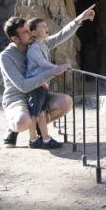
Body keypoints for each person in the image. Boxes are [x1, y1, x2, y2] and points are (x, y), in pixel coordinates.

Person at [0, 5, 96, 148]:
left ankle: (37, 126)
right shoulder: (5, 57)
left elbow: (60, 36)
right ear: (15, 38)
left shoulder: (37, 44)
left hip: (38, 93)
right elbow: (23, 86)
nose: (31, 33)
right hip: (17, 99)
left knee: (66, 102)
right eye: (25, 32)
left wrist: (80, 19)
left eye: (29, 29)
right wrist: (52, 71)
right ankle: (14, 129)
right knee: (22, 121)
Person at [24, 17, 64, 149]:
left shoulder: (43, 46)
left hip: (43, 85)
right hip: (36, 85)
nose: (46, 28)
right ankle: (33, 139)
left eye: (46, 26)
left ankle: (46, 139)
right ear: (34, 33)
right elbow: (42, 63)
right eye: (42, 26)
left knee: (42, 113)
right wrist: (57, 68)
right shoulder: (34, 48)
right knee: (34, 113)